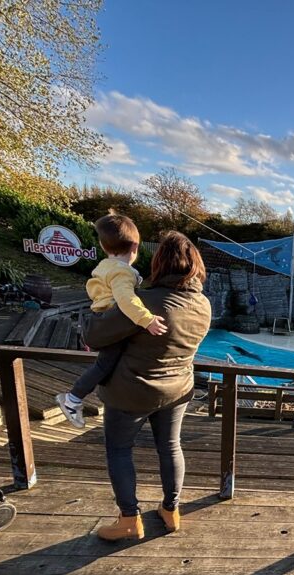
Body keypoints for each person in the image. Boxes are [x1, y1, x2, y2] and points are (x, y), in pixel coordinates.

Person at [82, 231, 211, 542]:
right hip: (178, 389)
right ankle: (171, 510)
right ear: (195, 266)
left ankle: (129, 519)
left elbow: (94, 336)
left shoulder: (144, 302)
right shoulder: (203, 304)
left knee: (119, 449)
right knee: (170, 447)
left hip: (131, 391)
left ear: (159, 263)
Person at [56, 211, 168, 429]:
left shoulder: (105, 267)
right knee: (104, 364)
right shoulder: (121, 272)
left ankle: (78, 398)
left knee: (108, 363)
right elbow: (126, 300)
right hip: (110, 321)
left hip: (101, 319)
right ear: (135, 248)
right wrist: (147, 320)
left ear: (103, 245)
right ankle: (72, 399)